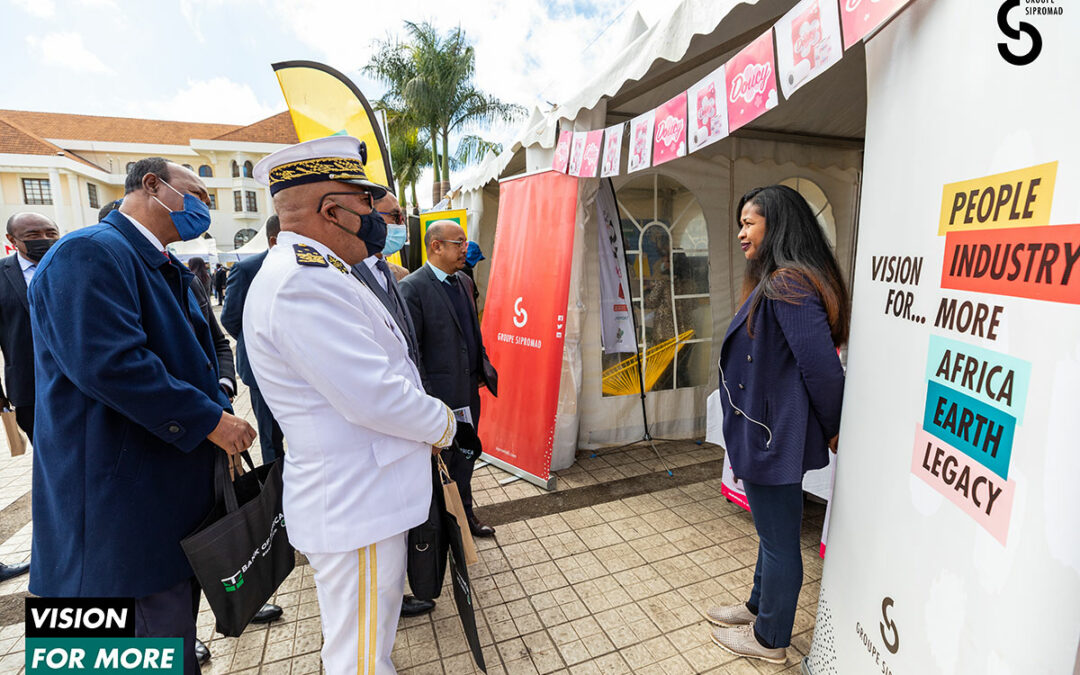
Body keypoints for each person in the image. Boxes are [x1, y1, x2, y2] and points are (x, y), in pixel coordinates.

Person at [29, 157, 257, 675]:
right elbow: (112, 364)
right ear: (151, 186)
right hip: (113, 513)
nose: (204, 206)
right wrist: (212, 421)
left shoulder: (164, 262)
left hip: (157, 504)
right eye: (197, 193)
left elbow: (209, 344)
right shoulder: (88, 253)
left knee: (165, 644)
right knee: (121, 652)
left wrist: (217, 390)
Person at [245, 136, 457, 674]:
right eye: (365, 203)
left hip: (365, 493)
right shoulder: (302, 284)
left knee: (366, 643)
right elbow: (376, 396)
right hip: (355, 501)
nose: (376, 216)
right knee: (359, 658)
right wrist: (443, 424)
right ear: (332, 210)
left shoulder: (327, 271)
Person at [707, 185, 848, 665]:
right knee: (770, 533)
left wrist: (834, 427)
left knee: (780, 539)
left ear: (778, 225)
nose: (742, 233)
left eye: (750, 223)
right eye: (741, 223)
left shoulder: (788, 283)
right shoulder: (780, 280)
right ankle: (757, 608)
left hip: (773, 436)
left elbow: (823, 370)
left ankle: (771, 640)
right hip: (766, 431)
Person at [353, 191, 434, 619]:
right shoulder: (341, 278)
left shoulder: (390, 270)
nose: (401, 224)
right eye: (394, 216)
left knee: (393, 547)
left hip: (403, 431)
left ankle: (393, 596)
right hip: (373, 445)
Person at [400, 221, 498, 539]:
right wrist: (426, 399)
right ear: (436, 246)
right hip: (438, 399)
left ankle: (465, 516)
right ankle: (439, 527)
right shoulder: (413, 288)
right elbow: (411, 353)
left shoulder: (465, 283)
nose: (464, 249)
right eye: (458, 243)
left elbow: (472, 332)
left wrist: (481, 368)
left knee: (466, 457)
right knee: (437, 465)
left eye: (465, 242)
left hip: (468, 393)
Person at [0, 212, 59, 583]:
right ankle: (59, 549)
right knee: (53, 470)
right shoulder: (2, 275)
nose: (43, 238)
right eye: (32, 234)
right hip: (31, 393)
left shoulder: (71, 259)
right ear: (12, 239)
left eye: (49, 231)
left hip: (87, 386)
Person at [221, 216, 285, 465]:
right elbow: (230, 318)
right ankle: (277, 496)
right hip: (261, 372)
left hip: (296, 367)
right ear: (274, 239)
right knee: (271, 438)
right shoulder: (247, 269)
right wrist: (258, 344)